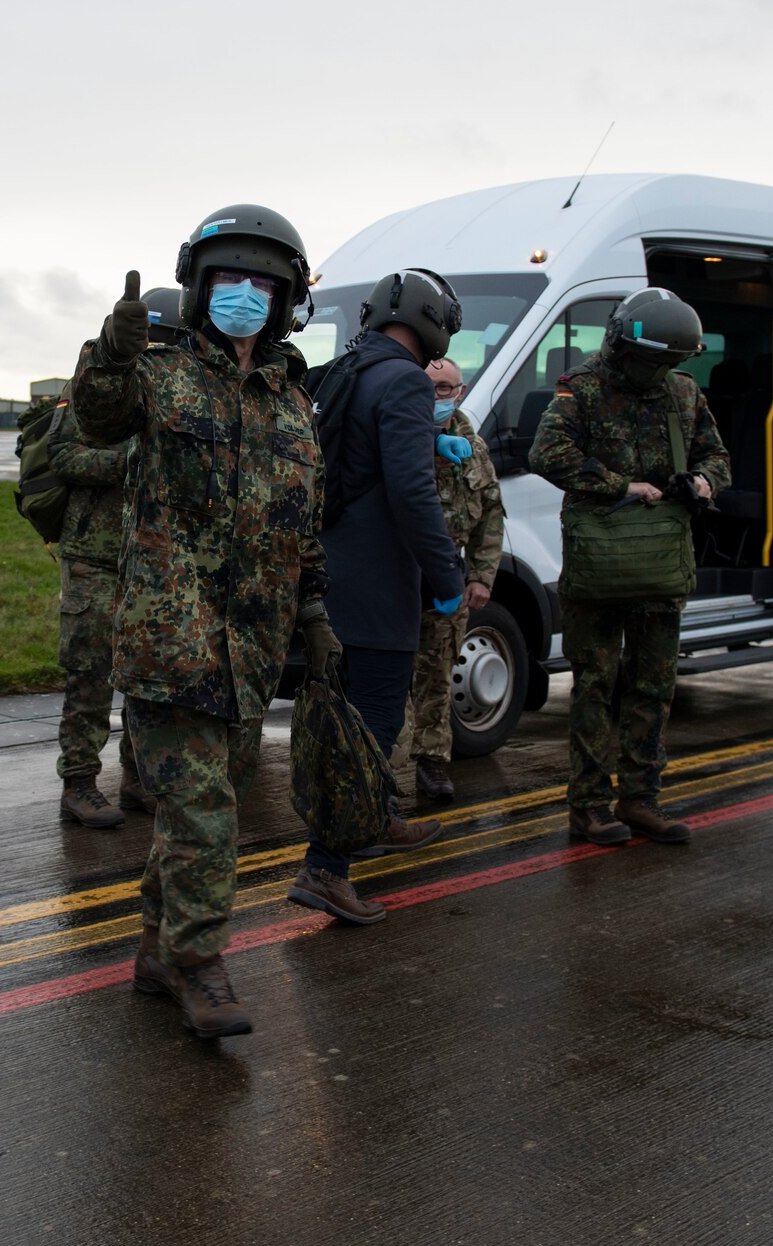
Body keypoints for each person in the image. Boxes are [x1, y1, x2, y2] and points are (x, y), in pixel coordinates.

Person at [70, 206, 329, 1038]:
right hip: (167, 638)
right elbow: (98, 414)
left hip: (251, 646)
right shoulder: (161, 372)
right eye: (227, 281)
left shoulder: (295, 407)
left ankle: (154, 949)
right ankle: (197, 962)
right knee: (207, 809)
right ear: (196, 289)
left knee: (193, 812)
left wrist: (314, 612)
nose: (243, 297)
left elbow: (304, 521)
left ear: (287, 299)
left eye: (262, 284)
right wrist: (111, 349)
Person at [286, 269, 466, 926]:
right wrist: (446, 577)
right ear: (430, 319)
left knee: (353, 721)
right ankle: (326, 869)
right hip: (381, 589)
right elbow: (413, 495)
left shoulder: (342, 371)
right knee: (373, 728)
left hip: (332, 578)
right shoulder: (407, 383)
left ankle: (382, 815)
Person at [529, 287, 729, 846]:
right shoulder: (583, 389)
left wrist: (705, 481)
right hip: (600, 563)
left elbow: (717, 455)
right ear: (621, 346)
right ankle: (589, 806)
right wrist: (623, 485)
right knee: (595, 684)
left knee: (653, 684)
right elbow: (547, 454)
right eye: (649, 361)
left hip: (660, 565)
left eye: (666, 363)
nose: (656, 372)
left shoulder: (683, 394)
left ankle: (641, 798)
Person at [43, 290, 180, 828]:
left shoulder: (170, 386)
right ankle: (78, 785)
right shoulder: (93, 382)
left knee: (146, 679)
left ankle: (135, 781)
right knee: (91, 676)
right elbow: (63, 454)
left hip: (148, 557)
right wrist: (130, 461)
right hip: (93, 557)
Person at [392, 356, 506, 805]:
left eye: (448, 389)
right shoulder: (397, 434)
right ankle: (386, 769)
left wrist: (480, 576)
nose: (440, 397)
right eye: (431, 387)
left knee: (438, 675)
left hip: (449, 580)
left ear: (460, 392)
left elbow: (491, 513)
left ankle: (432, 764)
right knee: (392, 679)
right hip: (400, 575)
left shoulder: (472, 446)